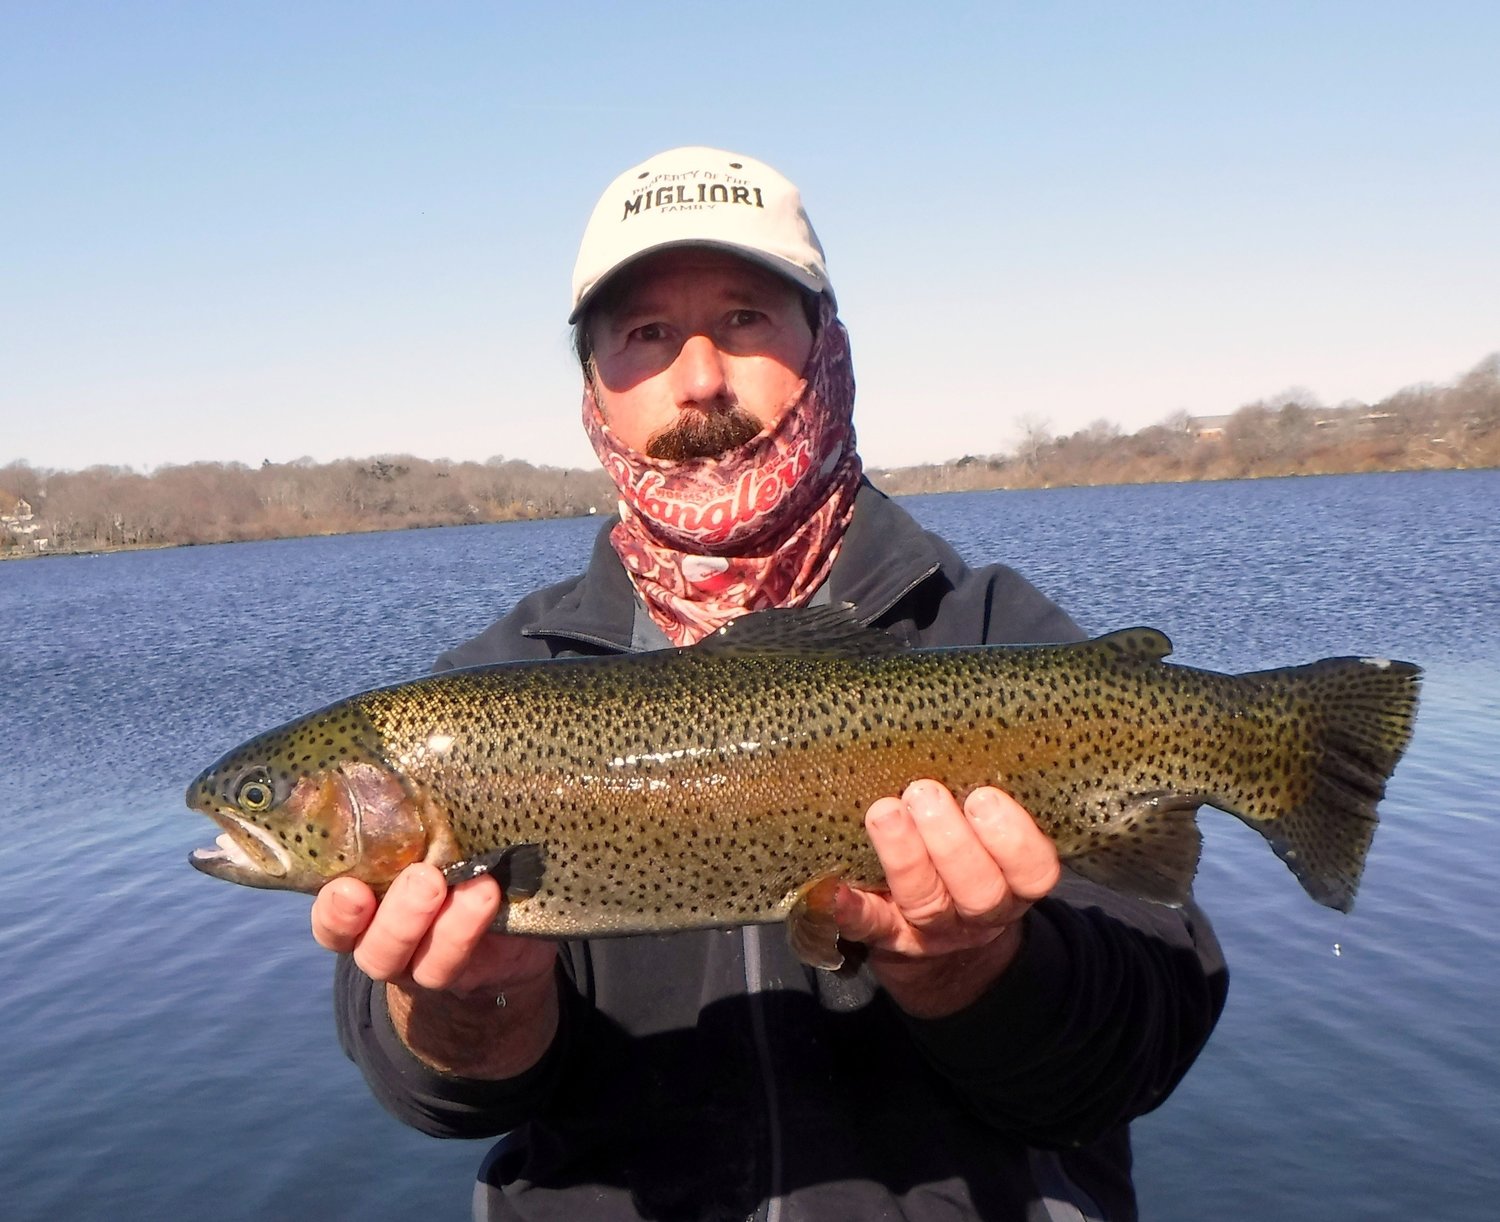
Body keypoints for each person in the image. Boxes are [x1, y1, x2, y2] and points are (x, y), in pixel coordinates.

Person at [312, 147, 1227, 1221]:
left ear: (827, 350)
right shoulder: (486, 699)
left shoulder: (987, 634)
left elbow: (1144, 1040)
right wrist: (470, 1011)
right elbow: (430, 1094)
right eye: (646, 335)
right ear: (593, 394)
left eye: (744, 318)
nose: (699, 375)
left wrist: (976, 973)